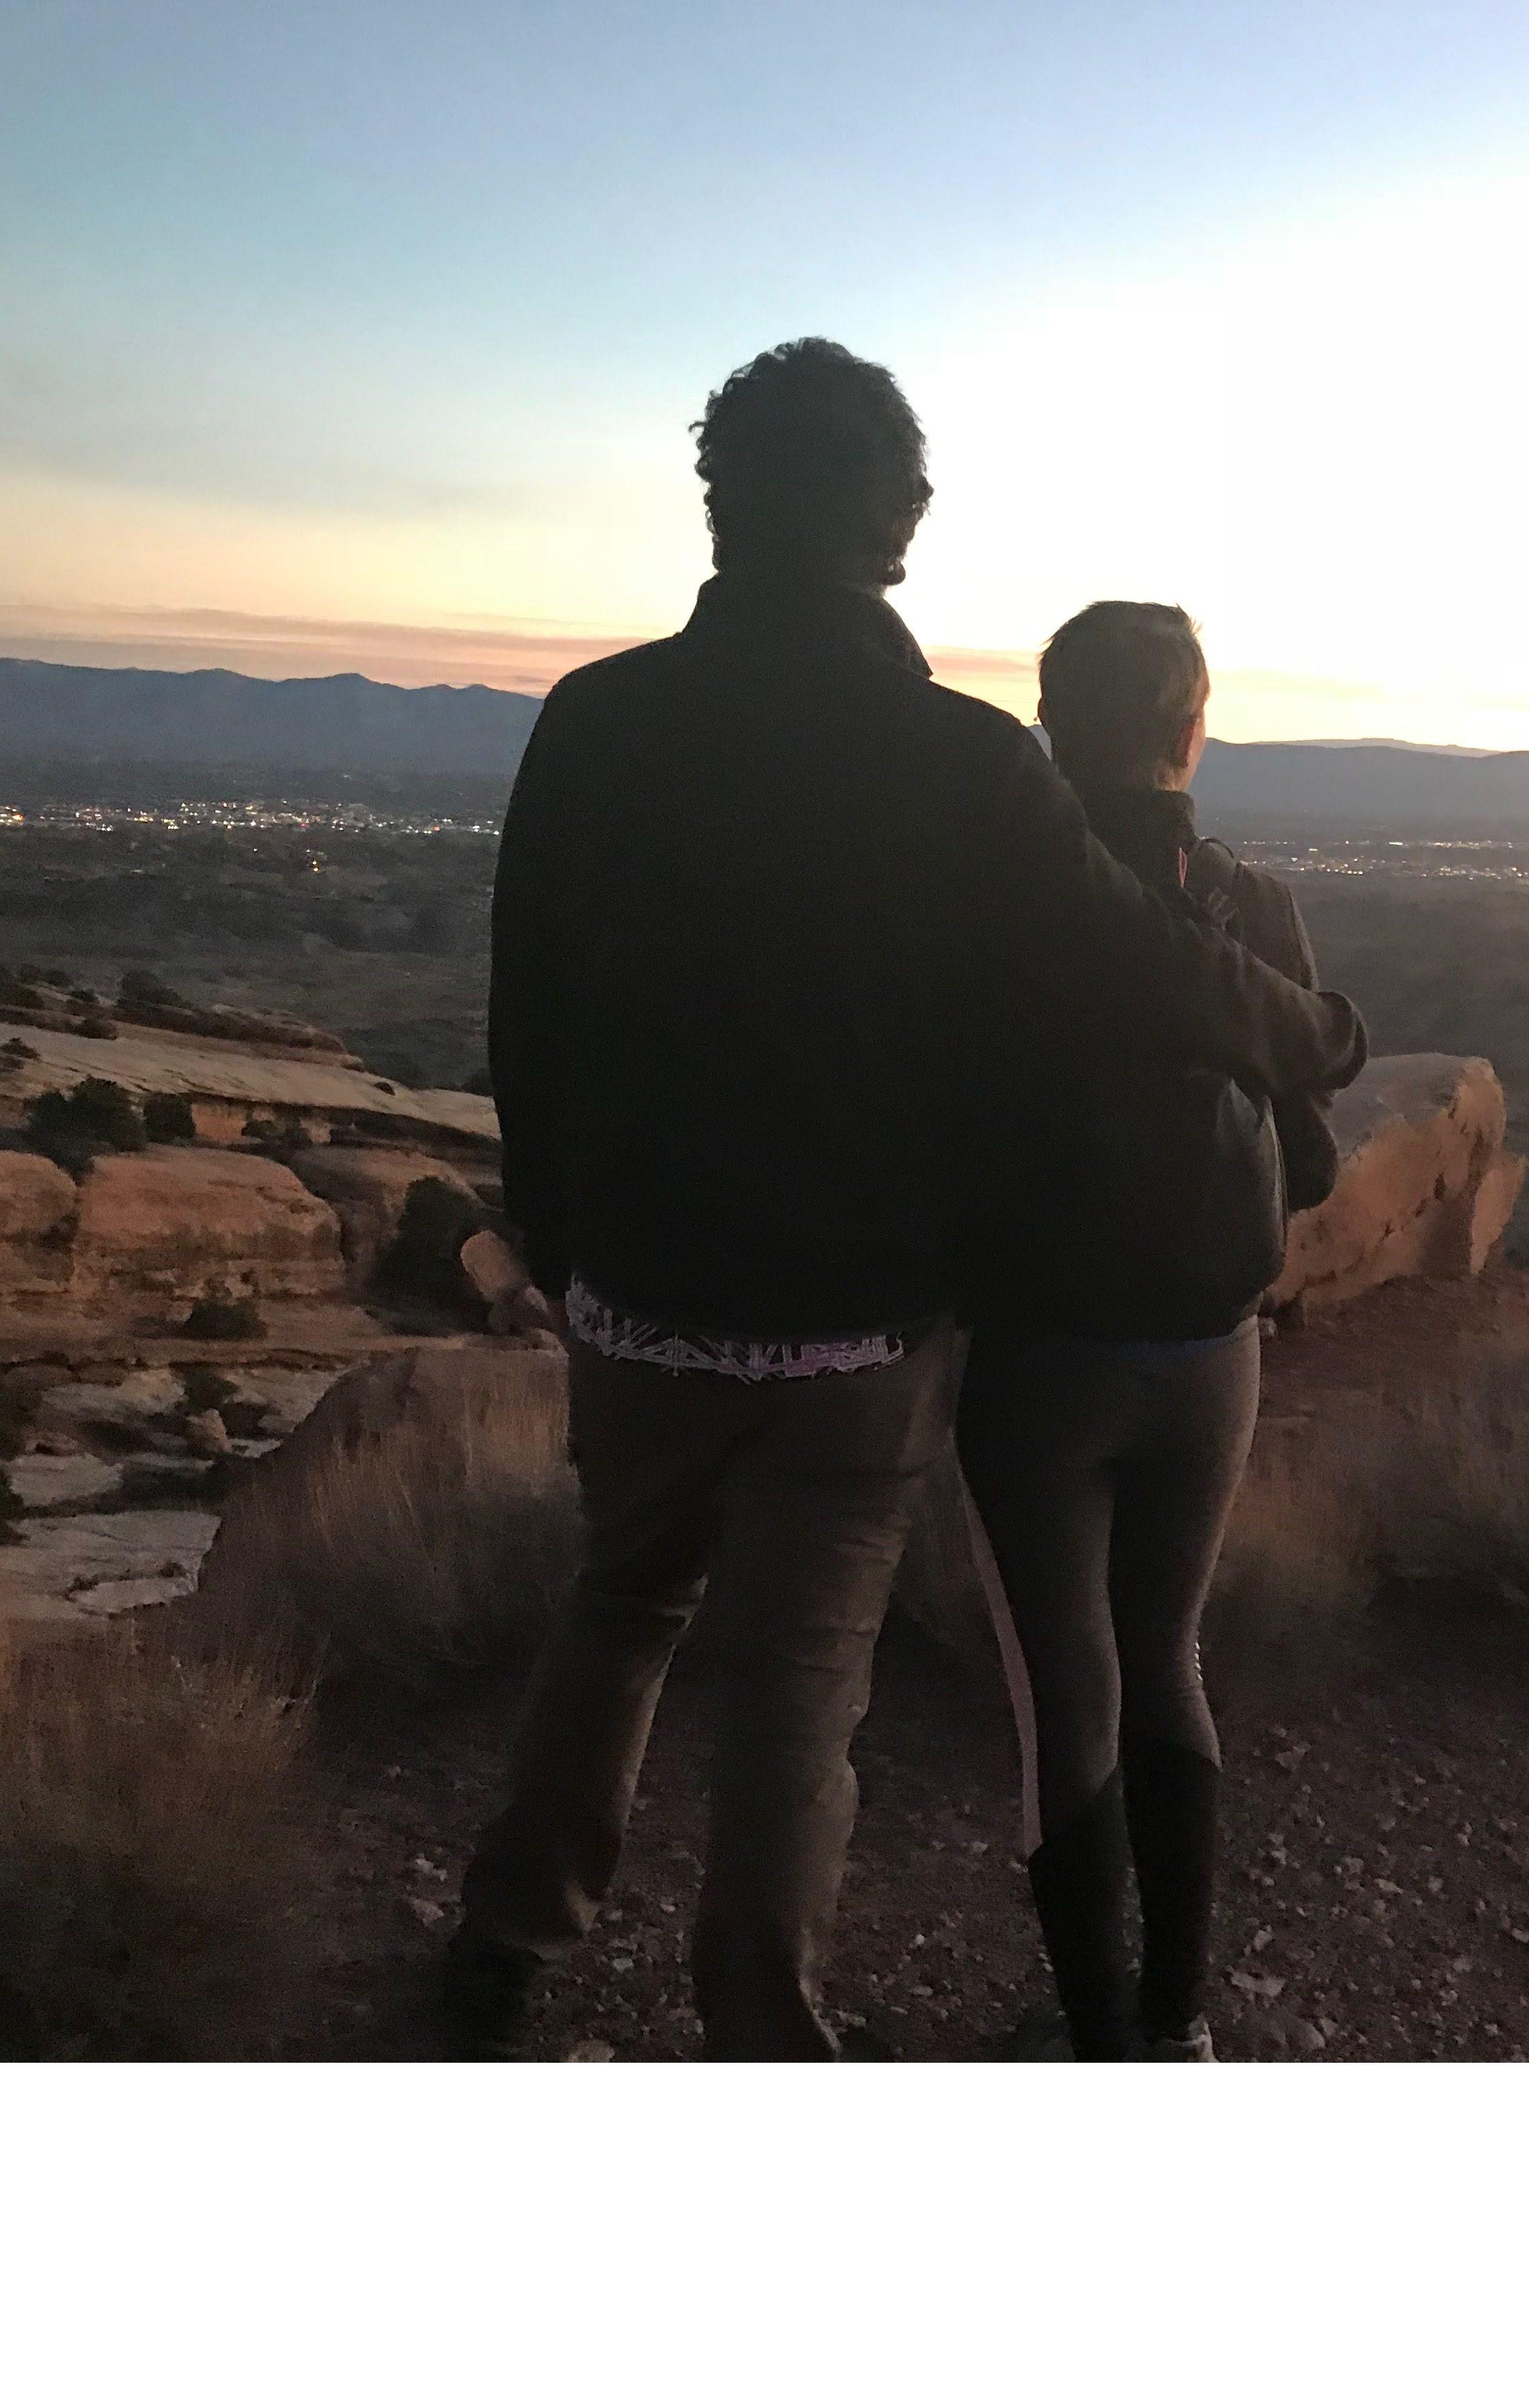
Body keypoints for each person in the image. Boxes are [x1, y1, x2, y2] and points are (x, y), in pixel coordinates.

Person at [443, 343, 1365, 2061]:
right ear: (904, 525)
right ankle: (762, 2028)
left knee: (619, 1607)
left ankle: (506, 1950)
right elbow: (1146, 964)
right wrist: (1317, 1034)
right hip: (857, 1329)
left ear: (720, 498)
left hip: (637, 1293)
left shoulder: (596, 723)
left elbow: (529, 1017)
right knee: (798, 1683)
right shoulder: (956, 764)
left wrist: (563, 1246)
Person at [958, 601, 1341, 2061]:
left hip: (1039, 1358)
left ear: (1054, 728)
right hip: (1211, 1344)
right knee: (1167, 1652)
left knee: (1071, 1687)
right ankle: (1177, 2018)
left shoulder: (997, 906)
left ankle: (1096, 2026)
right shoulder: (1251, 909)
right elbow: (1304, 1157)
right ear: (1193, 728)